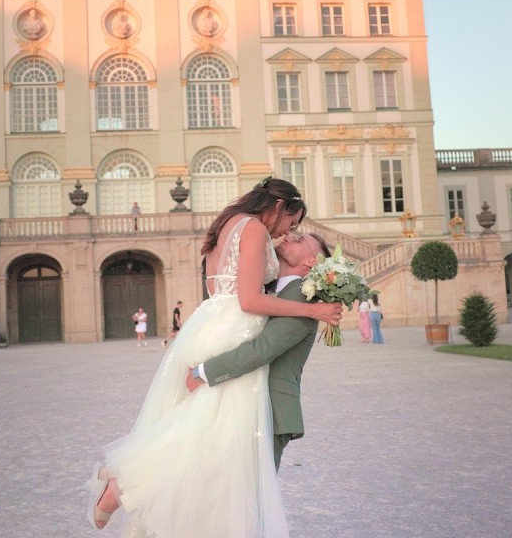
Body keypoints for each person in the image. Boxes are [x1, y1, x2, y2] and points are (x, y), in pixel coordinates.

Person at [87, 177, 342, 535]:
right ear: (278, 207)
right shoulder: (253, 229)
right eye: (292, 221)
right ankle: (125, 482)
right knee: (211, 436)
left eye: (297, 229)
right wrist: (315, 312)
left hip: (212, 324)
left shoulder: (228, 225)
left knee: (200, 430)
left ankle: (129, 483)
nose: (290, 231)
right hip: (236, 328)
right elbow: (250, 300)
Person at [185, 231, 330, 469]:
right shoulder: (271, 291)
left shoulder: (303, 296)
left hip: (272, 411)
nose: (291, 236)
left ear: (311, 262)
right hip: (249, 404)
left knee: (253, 498)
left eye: (301, 240)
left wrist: (203, 372)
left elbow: (263, 348)